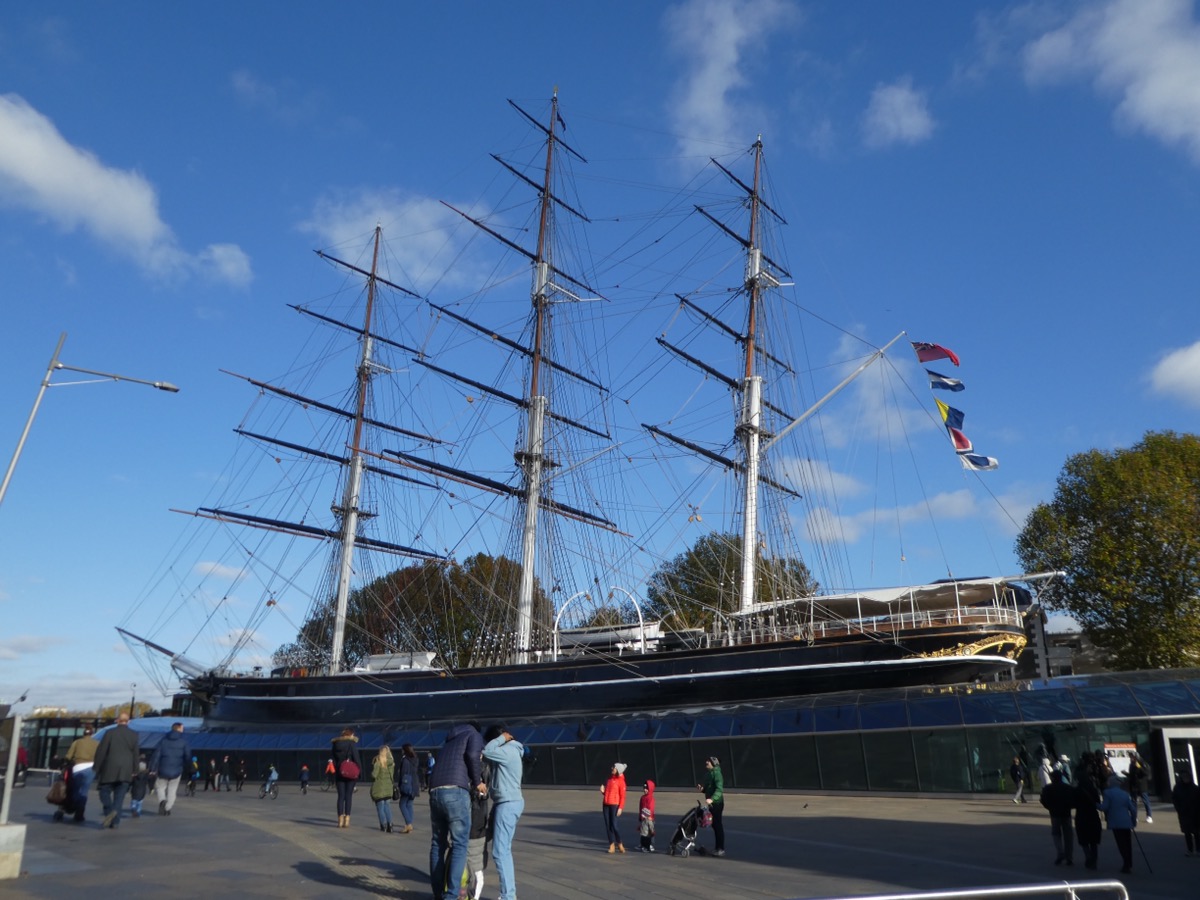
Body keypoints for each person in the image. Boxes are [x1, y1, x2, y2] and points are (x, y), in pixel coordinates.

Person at [428, 723, 485, 900]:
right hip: (455, 791)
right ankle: (451, 896)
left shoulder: (449, 741)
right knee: (460, 844)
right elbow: (472, 755)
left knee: (438, 844)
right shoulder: (473, 734)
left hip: (435, 790)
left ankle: (438, 893)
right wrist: (478, 782)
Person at [482, 724, 525, 900]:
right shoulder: (512, 751)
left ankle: (508, 896)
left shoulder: (507, 751)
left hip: (507, 803)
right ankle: (508, 894)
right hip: (506, 802)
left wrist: (501, 738)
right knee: (501, 849)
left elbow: (486, 750)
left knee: (500, 852)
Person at [93, 712, 140, 829]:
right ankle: (115, 821)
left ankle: (109, 811)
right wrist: (135, 769)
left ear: (117, 720)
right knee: (119, 797)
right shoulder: (134, 735)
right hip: (126, 770)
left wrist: (96, 768)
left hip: (109, 768)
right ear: (128, 722)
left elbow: (101, 751)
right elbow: (136, 754)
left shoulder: (110, 733)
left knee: (104, 791)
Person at [149, 721, 190, 817]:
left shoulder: (163, 741)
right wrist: (189, 768)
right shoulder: (184, 742)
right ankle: (167, 808)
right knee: (172, 790)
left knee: (160, 787)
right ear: (179, 729)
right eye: (182, 728)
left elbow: (156, 756)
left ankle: (162, 800)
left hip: (163, 769)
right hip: (177, 770)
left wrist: (152, 768)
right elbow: (187, 756)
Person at [1099, 773, 1138, 874]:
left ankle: (1126, 863)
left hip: (1116, 822)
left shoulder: (1107, 793)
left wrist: (1096, 805)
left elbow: (1104, 807)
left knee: (1121, 843)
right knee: (1127, 843)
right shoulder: (1125, 794)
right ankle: (1129, 862)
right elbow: (1133, 809)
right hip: (1126, 821)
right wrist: (1133, 820)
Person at [60, 724, 98, 823]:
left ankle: (73, 807)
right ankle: (80, 813)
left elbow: (68, 756)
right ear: (92, 733)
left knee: (76, 789)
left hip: (78, 767)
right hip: (91, 768)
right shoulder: (97, 743)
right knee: (84, 791)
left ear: (83, 733)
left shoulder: (77, 742)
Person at [1039, 770, 1075, 865]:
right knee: (1068, 835)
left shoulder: (1048, 788)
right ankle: (1069, 856)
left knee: (1056, 834)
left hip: (1055, 814)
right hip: (1066, 813)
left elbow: (1043, 800)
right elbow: (1074, 800)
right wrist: (1069, 806)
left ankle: (1060, 852)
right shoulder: (1068, 788)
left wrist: (1050, 807)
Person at [464, 772, 490, 900]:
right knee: (479, 876)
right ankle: (474, 897)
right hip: (479, 835)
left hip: (472, 836)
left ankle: (469, 895)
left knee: (473, 875)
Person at [331, 727, 362, 828]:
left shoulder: (335, 745)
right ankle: (347, 820)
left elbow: (333, 761)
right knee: (348, 796)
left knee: (340, 796)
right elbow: (356, 759)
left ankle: (340, 820)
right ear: (350, 735)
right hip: (350, 773)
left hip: (340, 773)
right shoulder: (351, 744)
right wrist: (359, 773)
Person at [1075, 770, 1103, 870]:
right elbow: (1097, 802)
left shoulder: (1077, 790)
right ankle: (1094, 860)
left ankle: (1088, 856)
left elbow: (1073, 803)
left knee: (1084, 839)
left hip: (1081, 816)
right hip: (1093, 816)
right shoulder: (1093, 789)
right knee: (1093, 841)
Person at [697, 756, 725, 857]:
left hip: (717, 803)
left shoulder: (717, 774)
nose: (706, 762)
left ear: (713, 764)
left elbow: (719, 789)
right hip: (712, 803)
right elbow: (709, 788)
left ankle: (720, 849)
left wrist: (712, 799)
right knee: (714, 825)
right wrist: (702, 790)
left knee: (717, 825)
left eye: (708, 761)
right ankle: (717, 848)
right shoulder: (709, 774)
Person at [1172, 770, 1200, 856]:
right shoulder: (1178, 788)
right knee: (1187, 833)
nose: (1186, 779)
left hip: (1195, 813)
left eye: (1187, 777)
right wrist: (1178, 809)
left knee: (1196, 832)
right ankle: (1190, 850)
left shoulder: (1194, 788)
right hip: (1184, 813)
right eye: (1184, 778)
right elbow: (1175, 799)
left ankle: (1198, 850)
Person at [601, 762, 627, 853]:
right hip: (606, 804)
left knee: (614, 826)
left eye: (614, 767)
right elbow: (608, 792)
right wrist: (603, 792)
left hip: (614, 805)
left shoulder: (621, 782)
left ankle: (619, 843)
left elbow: (623, 796)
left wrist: (620, 808)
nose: (612, 768)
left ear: (618, 770)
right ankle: (611, 845)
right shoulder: (609, 779)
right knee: (608, 825)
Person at [371, 745, 396, 833]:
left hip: (379, 788)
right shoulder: (391, 763)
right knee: (387, 807)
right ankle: (390, 825)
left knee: (380, 807)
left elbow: (374, 775)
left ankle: (383, 825)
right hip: (388, 788)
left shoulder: (378, 762)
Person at [397, 743, 421, 833]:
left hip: (407, 784)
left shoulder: (405, 760)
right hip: (414, 784)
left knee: (402, 804)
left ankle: (408, 824)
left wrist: (400, 785)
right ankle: (409, 823)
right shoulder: (415, 759)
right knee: (409, 804)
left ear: (405, 750)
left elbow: (403, 774)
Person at [1128, 755, 1153, 823]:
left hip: (1142, 785)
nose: (1131, 759)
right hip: (1134, 785)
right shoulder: (1131, 765)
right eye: (1130, 758)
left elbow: (1146, 773)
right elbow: (1131, 775)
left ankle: (1149, 816)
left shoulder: (1142, 763)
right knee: (1133, 802)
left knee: (1145, 801)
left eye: (1132, 757)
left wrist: (1139, 767)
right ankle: (1134, 817)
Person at [638, 779, 656, 852]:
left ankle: (650, 845)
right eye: (644, 788)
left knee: (650, 832)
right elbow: (640, 807)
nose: (645, 790)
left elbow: (651, 808)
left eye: (647, 789)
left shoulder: (651, 798)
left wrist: (648, 816)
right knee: (643, 832)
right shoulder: (642, 798)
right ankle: (643, 844)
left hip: (649, 819)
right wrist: (640, 816)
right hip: (643, 818)